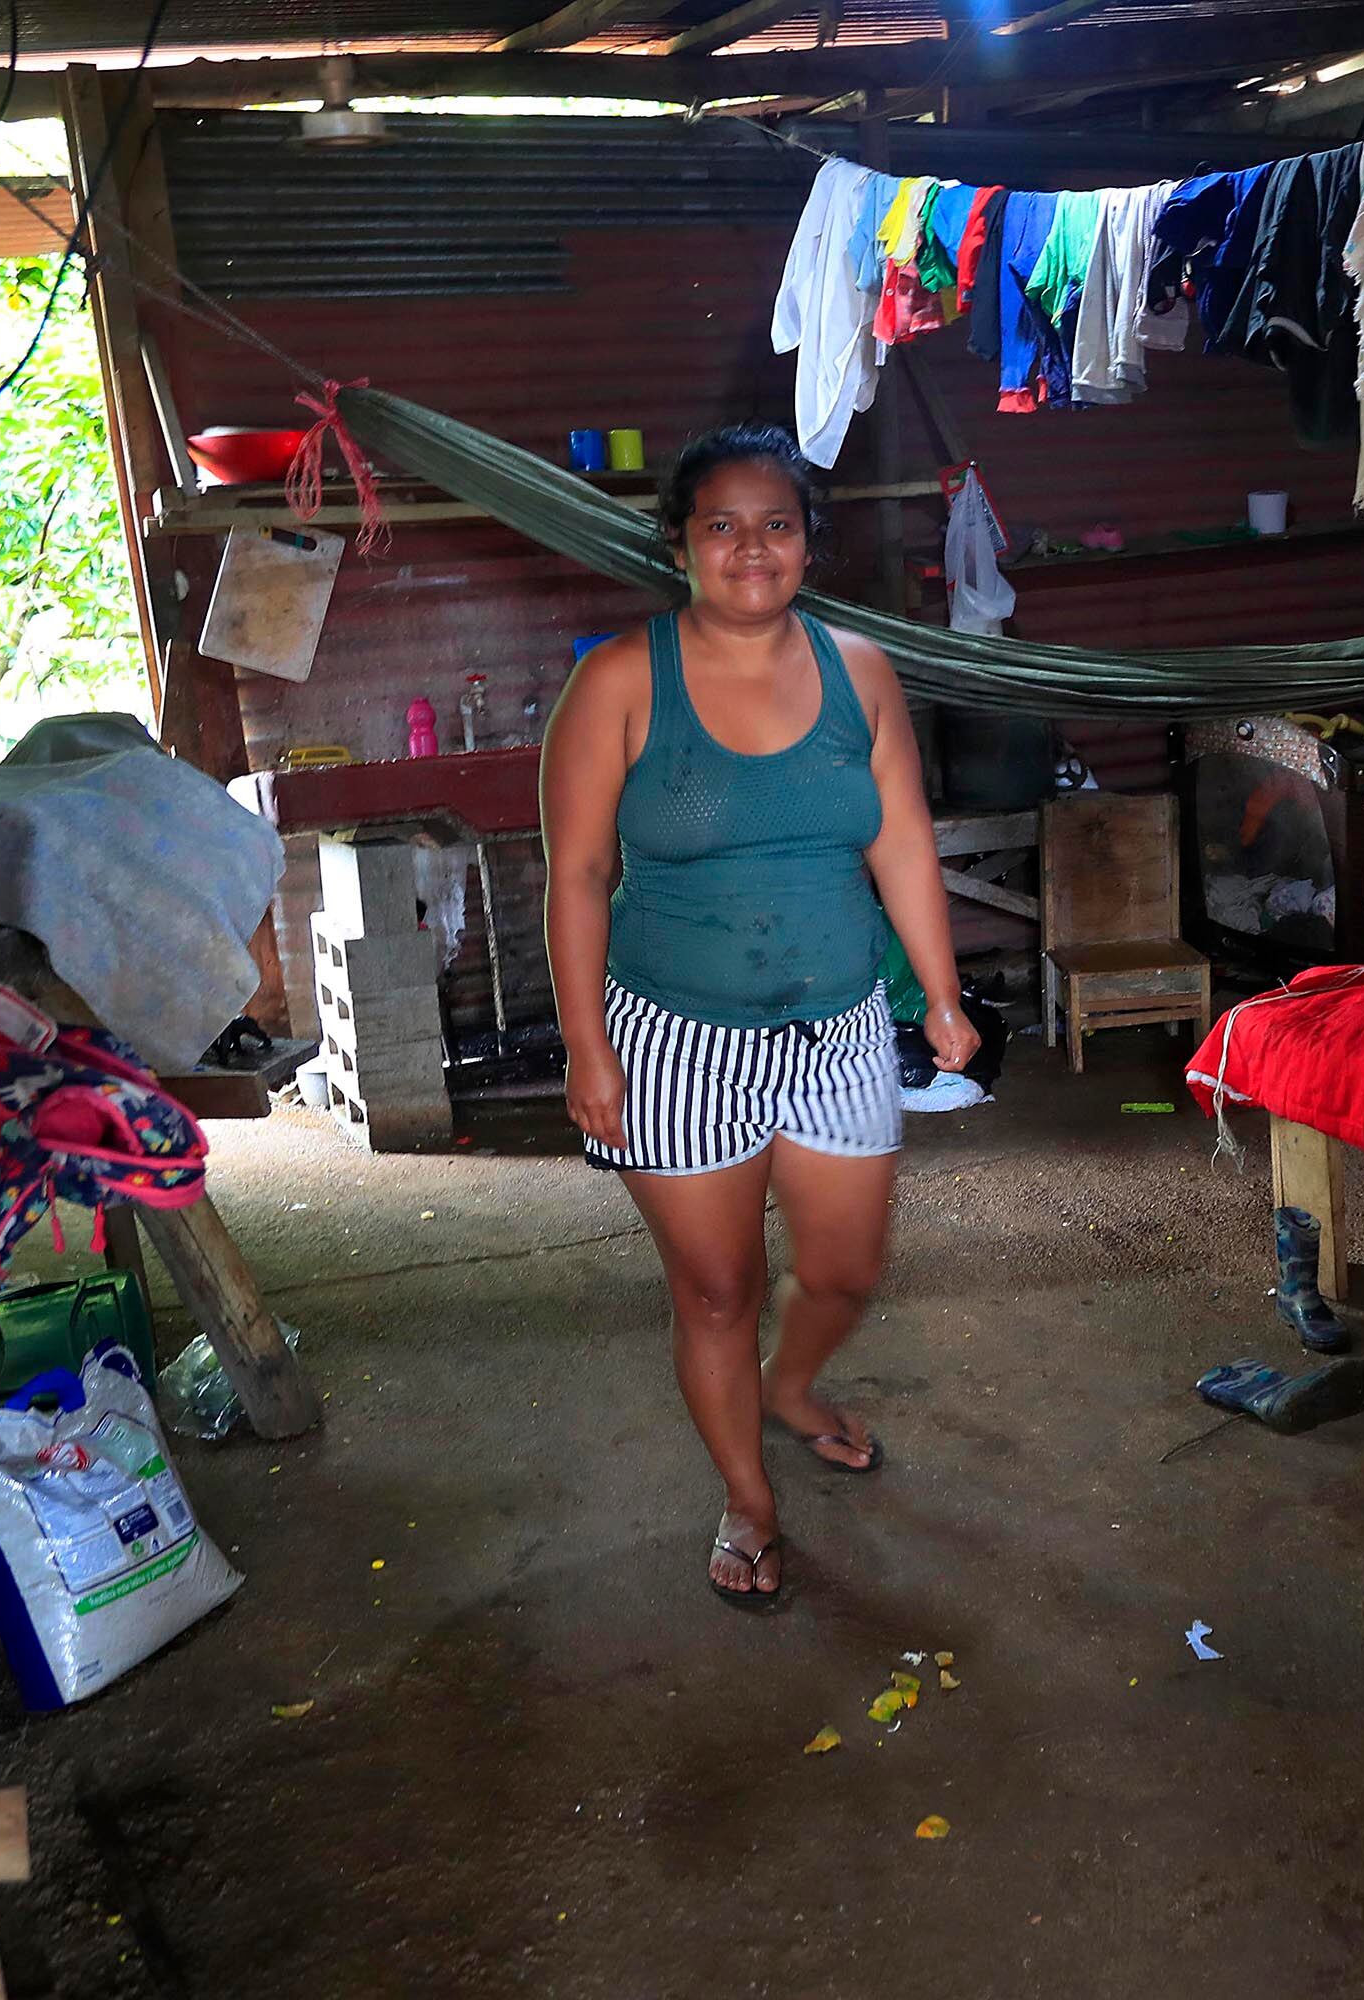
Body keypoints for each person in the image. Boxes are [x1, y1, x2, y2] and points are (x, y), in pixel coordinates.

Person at [538, 423, 977, 1611]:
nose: (750, 547)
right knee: (717, 1292)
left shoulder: (860, 671)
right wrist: (586, 1046)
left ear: (808, 544)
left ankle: (792, 1383)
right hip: (674, 1041)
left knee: (844, 1268)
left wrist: (940, 993)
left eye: (776, 524)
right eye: (721, 525)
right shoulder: (620, 680)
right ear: (679, 543)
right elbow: (578, 874)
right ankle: (749, 1498)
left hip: (838, 1028)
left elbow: (901, 840)